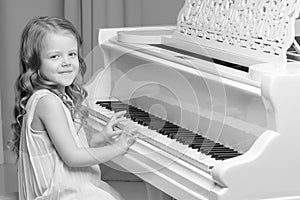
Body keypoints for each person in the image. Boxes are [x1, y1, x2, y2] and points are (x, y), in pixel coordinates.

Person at [10, 16, 137, 200]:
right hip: (60, 192)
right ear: (34, 63)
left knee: (113, 194)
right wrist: (119, 147)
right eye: (55, 56)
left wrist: (102, 137)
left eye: (72, 54)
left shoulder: (59, 96)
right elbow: (72, 157)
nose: (67, 62)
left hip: (68, 184)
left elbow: (67, 145)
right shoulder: (48, 102)